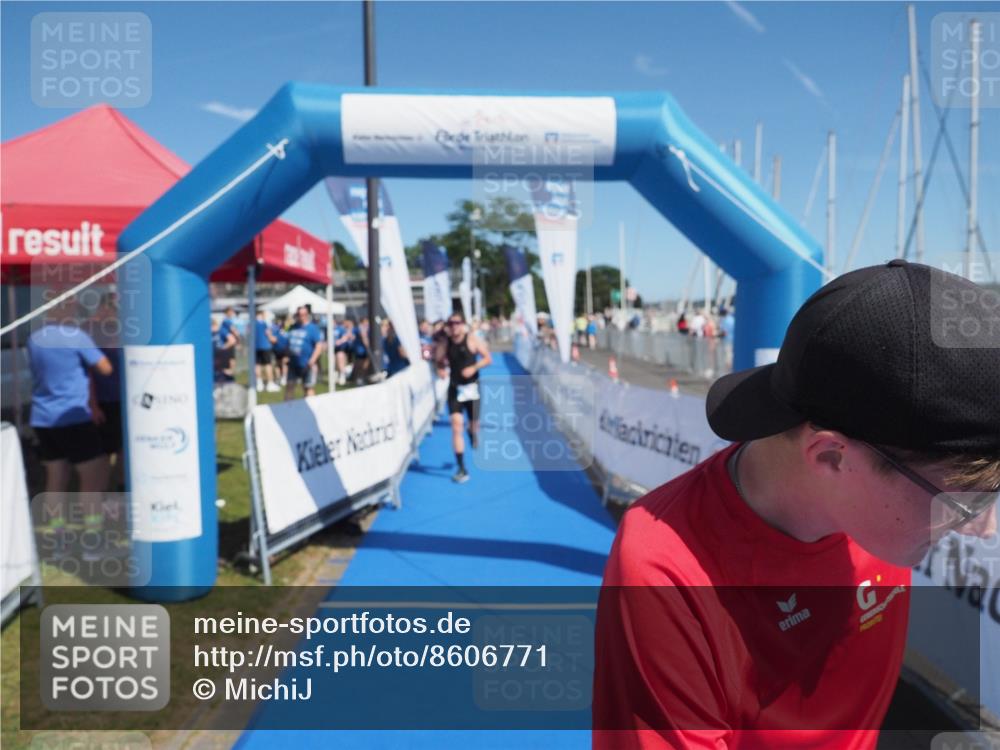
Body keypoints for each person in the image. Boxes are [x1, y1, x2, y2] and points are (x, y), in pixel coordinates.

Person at [594, 260, 1000, 748]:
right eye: (965, 504)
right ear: (831, 457)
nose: (983, 528)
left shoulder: (877, 497)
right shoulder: (666, 571)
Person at [27, 299, 114, 551]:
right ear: (64, 309)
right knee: (92, 478)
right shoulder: (76, 336)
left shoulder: (35, 338)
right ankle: (93, 540)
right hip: (72, 417)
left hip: (43, 418)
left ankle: (58, 539)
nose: (76, 311)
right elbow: (105, 368)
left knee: (56, 479)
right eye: (73, 306)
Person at [435, 311, 492, 484]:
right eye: (450, 324)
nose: (454, 326)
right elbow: (438, 361)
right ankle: (461, 467)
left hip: (473, 389)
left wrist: (474, 368)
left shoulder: (472, 339)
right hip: (455, 389)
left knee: (473, 424)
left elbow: (488, 358)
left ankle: (473, 432)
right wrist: (441, 369)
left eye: (457, 323)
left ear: (463, 324)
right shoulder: (445, 343)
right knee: (456, 425)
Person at [285, 306, 324, 399]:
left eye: (303, 314)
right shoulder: (292, 327)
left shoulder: (312, 328)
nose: (301, 316)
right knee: (290, 386)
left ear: (307, 315)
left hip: (307, 363)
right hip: (293, 363)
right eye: (299, 314)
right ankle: (287, 410)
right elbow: (287, 342)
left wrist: (312, 360)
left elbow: (319, 346)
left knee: (308, 387)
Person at [253, 309, 280, 393]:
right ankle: (270, 383)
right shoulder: (263, 323)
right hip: (265, 346)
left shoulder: (252, 323)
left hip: (255, 347)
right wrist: (273, 339)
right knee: (268, 365)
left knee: (257, 365)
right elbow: (268, 333)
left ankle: (259, 383)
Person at [211, 315, 238, 382]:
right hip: (213, 356)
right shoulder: (208, 332)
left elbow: (232, 340)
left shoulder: (221, 330)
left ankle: (230, 383)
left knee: (226, 372)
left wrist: (223, 347)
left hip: (222, 356)